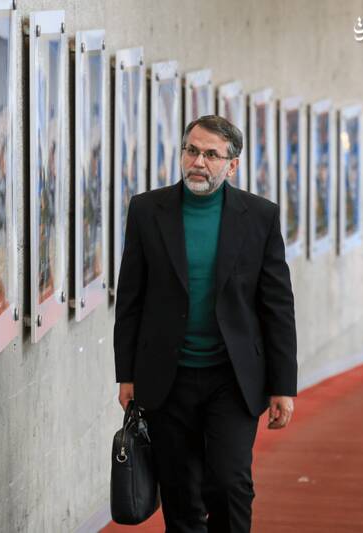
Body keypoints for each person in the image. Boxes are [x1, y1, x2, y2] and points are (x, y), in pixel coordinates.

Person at [114, 115, 297, 532]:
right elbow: (131, 301)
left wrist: (283, 385)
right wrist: (126, 374)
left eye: (211, 154)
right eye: (192, 150)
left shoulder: (259, 217)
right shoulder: (147, 210)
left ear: (232, 165)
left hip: (232, 378)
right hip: (167, 377)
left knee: (230, 484)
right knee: (180, 493)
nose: (198, 161)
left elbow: (277, 307)